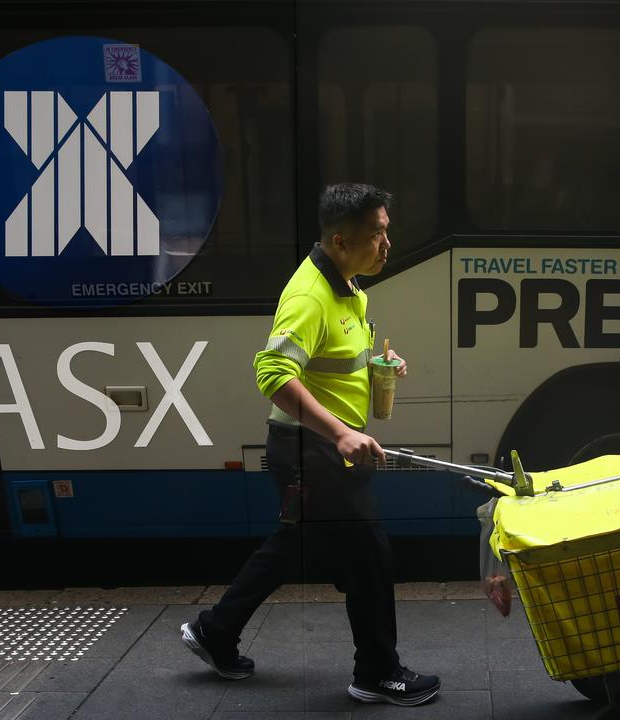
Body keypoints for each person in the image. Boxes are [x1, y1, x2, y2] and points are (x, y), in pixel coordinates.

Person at [180, 183, 440, 706]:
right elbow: (274, 373)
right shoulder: (309, 295)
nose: (387, 244)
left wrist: (377, 366)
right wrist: (342, 432)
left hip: (318, 448)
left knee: (293, 545)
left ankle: (215, 631)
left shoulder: (349, 287)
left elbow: (329, 363)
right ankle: (377, 673)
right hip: (312, 452)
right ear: (341, 240)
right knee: (369, 557)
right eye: (377, 234)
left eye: (386, 231)